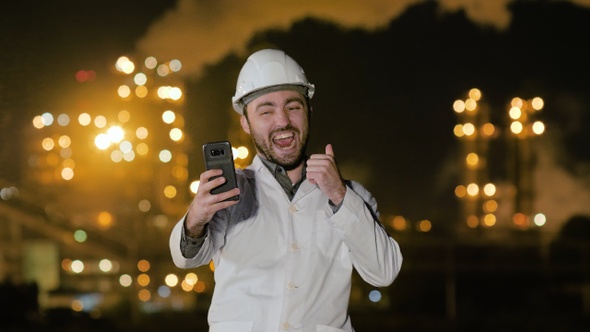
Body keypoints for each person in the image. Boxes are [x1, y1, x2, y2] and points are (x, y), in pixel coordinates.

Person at [169, 49, 403, 332]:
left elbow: (384, 272)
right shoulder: (228, 193)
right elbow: (187, 258)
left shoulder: (352, 196)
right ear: (246, 122)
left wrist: (340, 197)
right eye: (266, 111)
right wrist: (195, 219)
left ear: (309, 111)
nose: (282, 121)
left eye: (293, 107)